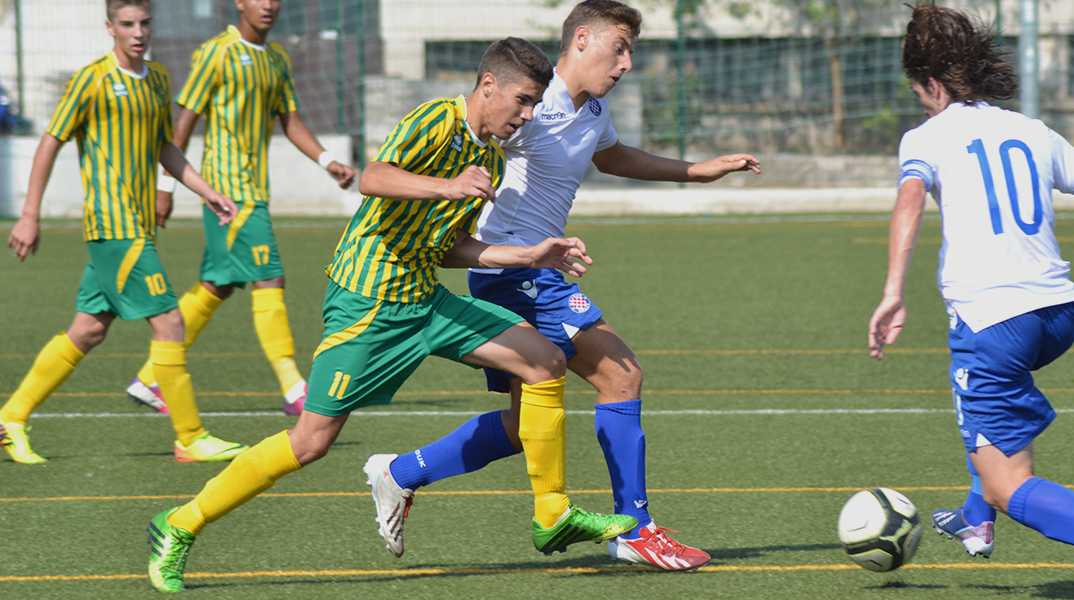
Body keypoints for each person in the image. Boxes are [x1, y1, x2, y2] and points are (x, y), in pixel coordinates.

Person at [146, 37, 638, 593]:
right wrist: (446, 187)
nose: (526, 117)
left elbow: (450, 247)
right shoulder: (435, 120)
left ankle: (551, 514)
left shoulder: (487, 157)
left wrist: (527, 254)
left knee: (544, 361)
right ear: (488, 85)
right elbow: (374, 178)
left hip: (425, 300)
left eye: (534, 105)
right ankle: (179, 524)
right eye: (522, 102)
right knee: (310, 443)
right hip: (368, 305)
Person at [378, 0, 759, 572]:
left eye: (631, 51)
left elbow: (612, 156)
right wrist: (444, 194)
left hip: (532, 271)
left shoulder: (593, 107)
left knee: (520, 424)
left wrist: (696, 170)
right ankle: (636, 528)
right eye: (620, 48)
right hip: (514, 273)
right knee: (621, 373)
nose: (626, 63)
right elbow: (473, 137)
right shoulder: (532, 102)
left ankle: (398, 473)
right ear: (582, 39)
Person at [868, 4, 1074, 600]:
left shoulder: (928, 136)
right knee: (987, 409)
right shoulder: (1034, 131)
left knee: (1010, 482)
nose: (920, 103)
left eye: (918, 93)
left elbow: (909, 202)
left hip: (994, 322)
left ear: (932, 83)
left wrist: (892, 293)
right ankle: (973, 514)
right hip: (1058, 316)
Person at [2, 0, 247, 465]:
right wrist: (30, 213)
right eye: (128, 24)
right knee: (171, 322)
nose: (138, 32)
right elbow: (50, 142)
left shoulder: (157, 80)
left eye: (145, 23)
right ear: (110, 27)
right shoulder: (92, 79)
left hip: (136, 227)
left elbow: (164, 148)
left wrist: (204, 190)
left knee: (88, 330)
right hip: (114, 230)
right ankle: (190, 437)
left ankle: (11, 418)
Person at [125, 0, 356, 417]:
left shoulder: (277, 58)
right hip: (226, 191)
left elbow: (291, 120)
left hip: (253, 189)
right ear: (239, 3)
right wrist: (166, 185)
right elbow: (183, 121)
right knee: (271, 277)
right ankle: (293, 387)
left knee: (219, 285)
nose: (268, 5)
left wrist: (327, 161)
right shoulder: (217, 52)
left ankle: (151, 376)